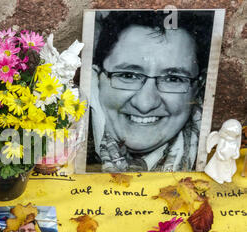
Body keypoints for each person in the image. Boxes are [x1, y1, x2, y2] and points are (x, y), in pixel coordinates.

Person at [89, 10, 214, 172]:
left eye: (173, 79)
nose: (145, 104)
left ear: (199, 86)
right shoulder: (70, 147)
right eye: (128, 75)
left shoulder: (211, 158)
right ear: (96, 77)